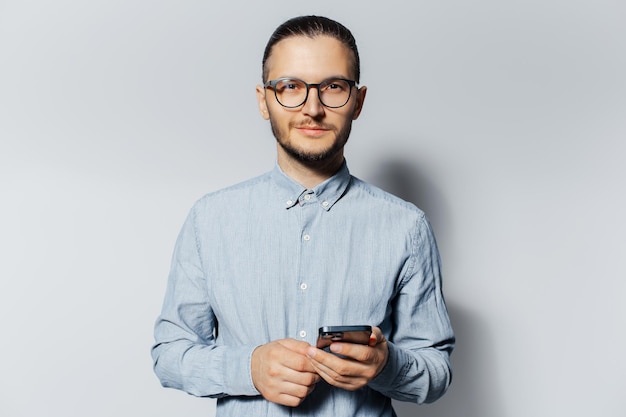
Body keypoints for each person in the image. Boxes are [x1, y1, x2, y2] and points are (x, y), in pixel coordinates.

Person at [151, 15, 455, 417]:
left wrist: (385, 365)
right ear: (264, 100)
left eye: (333, 87)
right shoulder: (210, 219)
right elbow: (169, 355)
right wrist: (248, 368)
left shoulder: (406, 227)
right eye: (291, 86)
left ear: (358, 101)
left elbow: (436, 371)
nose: (312, 108)